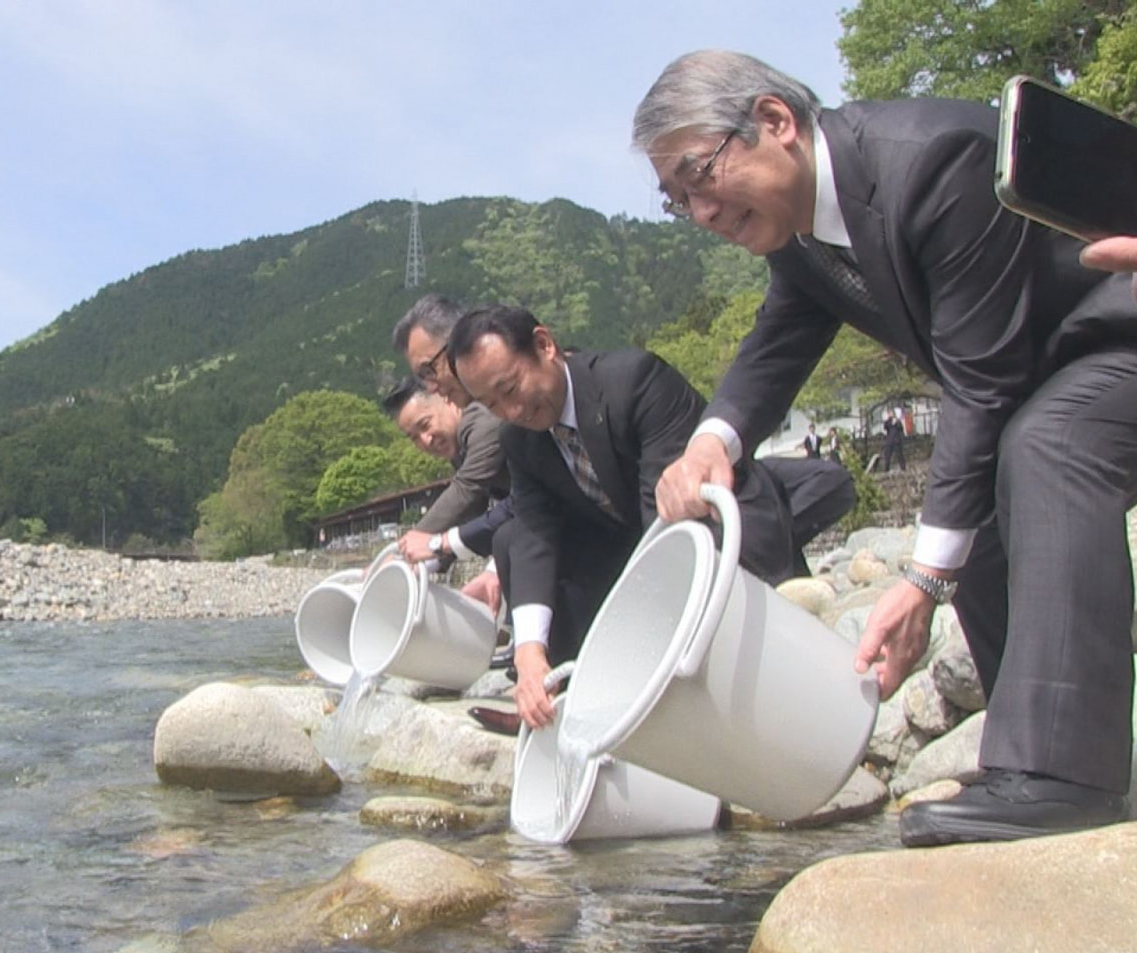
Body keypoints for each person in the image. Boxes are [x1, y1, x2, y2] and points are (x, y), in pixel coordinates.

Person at [635, 50, 1137, 847]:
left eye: (700, 176)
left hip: (1119, 334)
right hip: (1046, 372)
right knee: (992, 490)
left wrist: (925, 579)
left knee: (1044, 446)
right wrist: (710, 441)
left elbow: (983, 383)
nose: (699, 212)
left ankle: (1061, 777)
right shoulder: (800, 238)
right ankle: (1032, 756)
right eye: (676, 199)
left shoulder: (935, 162)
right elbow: (778, 342)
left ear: (775, 122)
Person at [448, 304, 855, 729]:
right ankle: (562, 700)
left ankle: (656, 701)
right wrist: (529, 651)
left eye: (510, 388)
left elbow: (668, 521)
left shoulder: (634, 381)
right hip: (631, 544)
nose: (510, 412)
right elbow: (535, 534)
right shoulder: (520, 439)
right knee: (512, 537)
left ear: (544, 345)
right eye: (491, 404)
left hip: (711, 532)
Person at [381, 375, 509, 563]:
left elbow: (467, 489)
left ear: (447, 400)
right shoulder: (458, 449)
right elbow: (472, 511)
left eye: (425, 425)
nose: (426, 440)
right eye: (414, 438)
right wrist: (430, 560)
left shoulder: (482, 422)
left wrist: (405, 549)